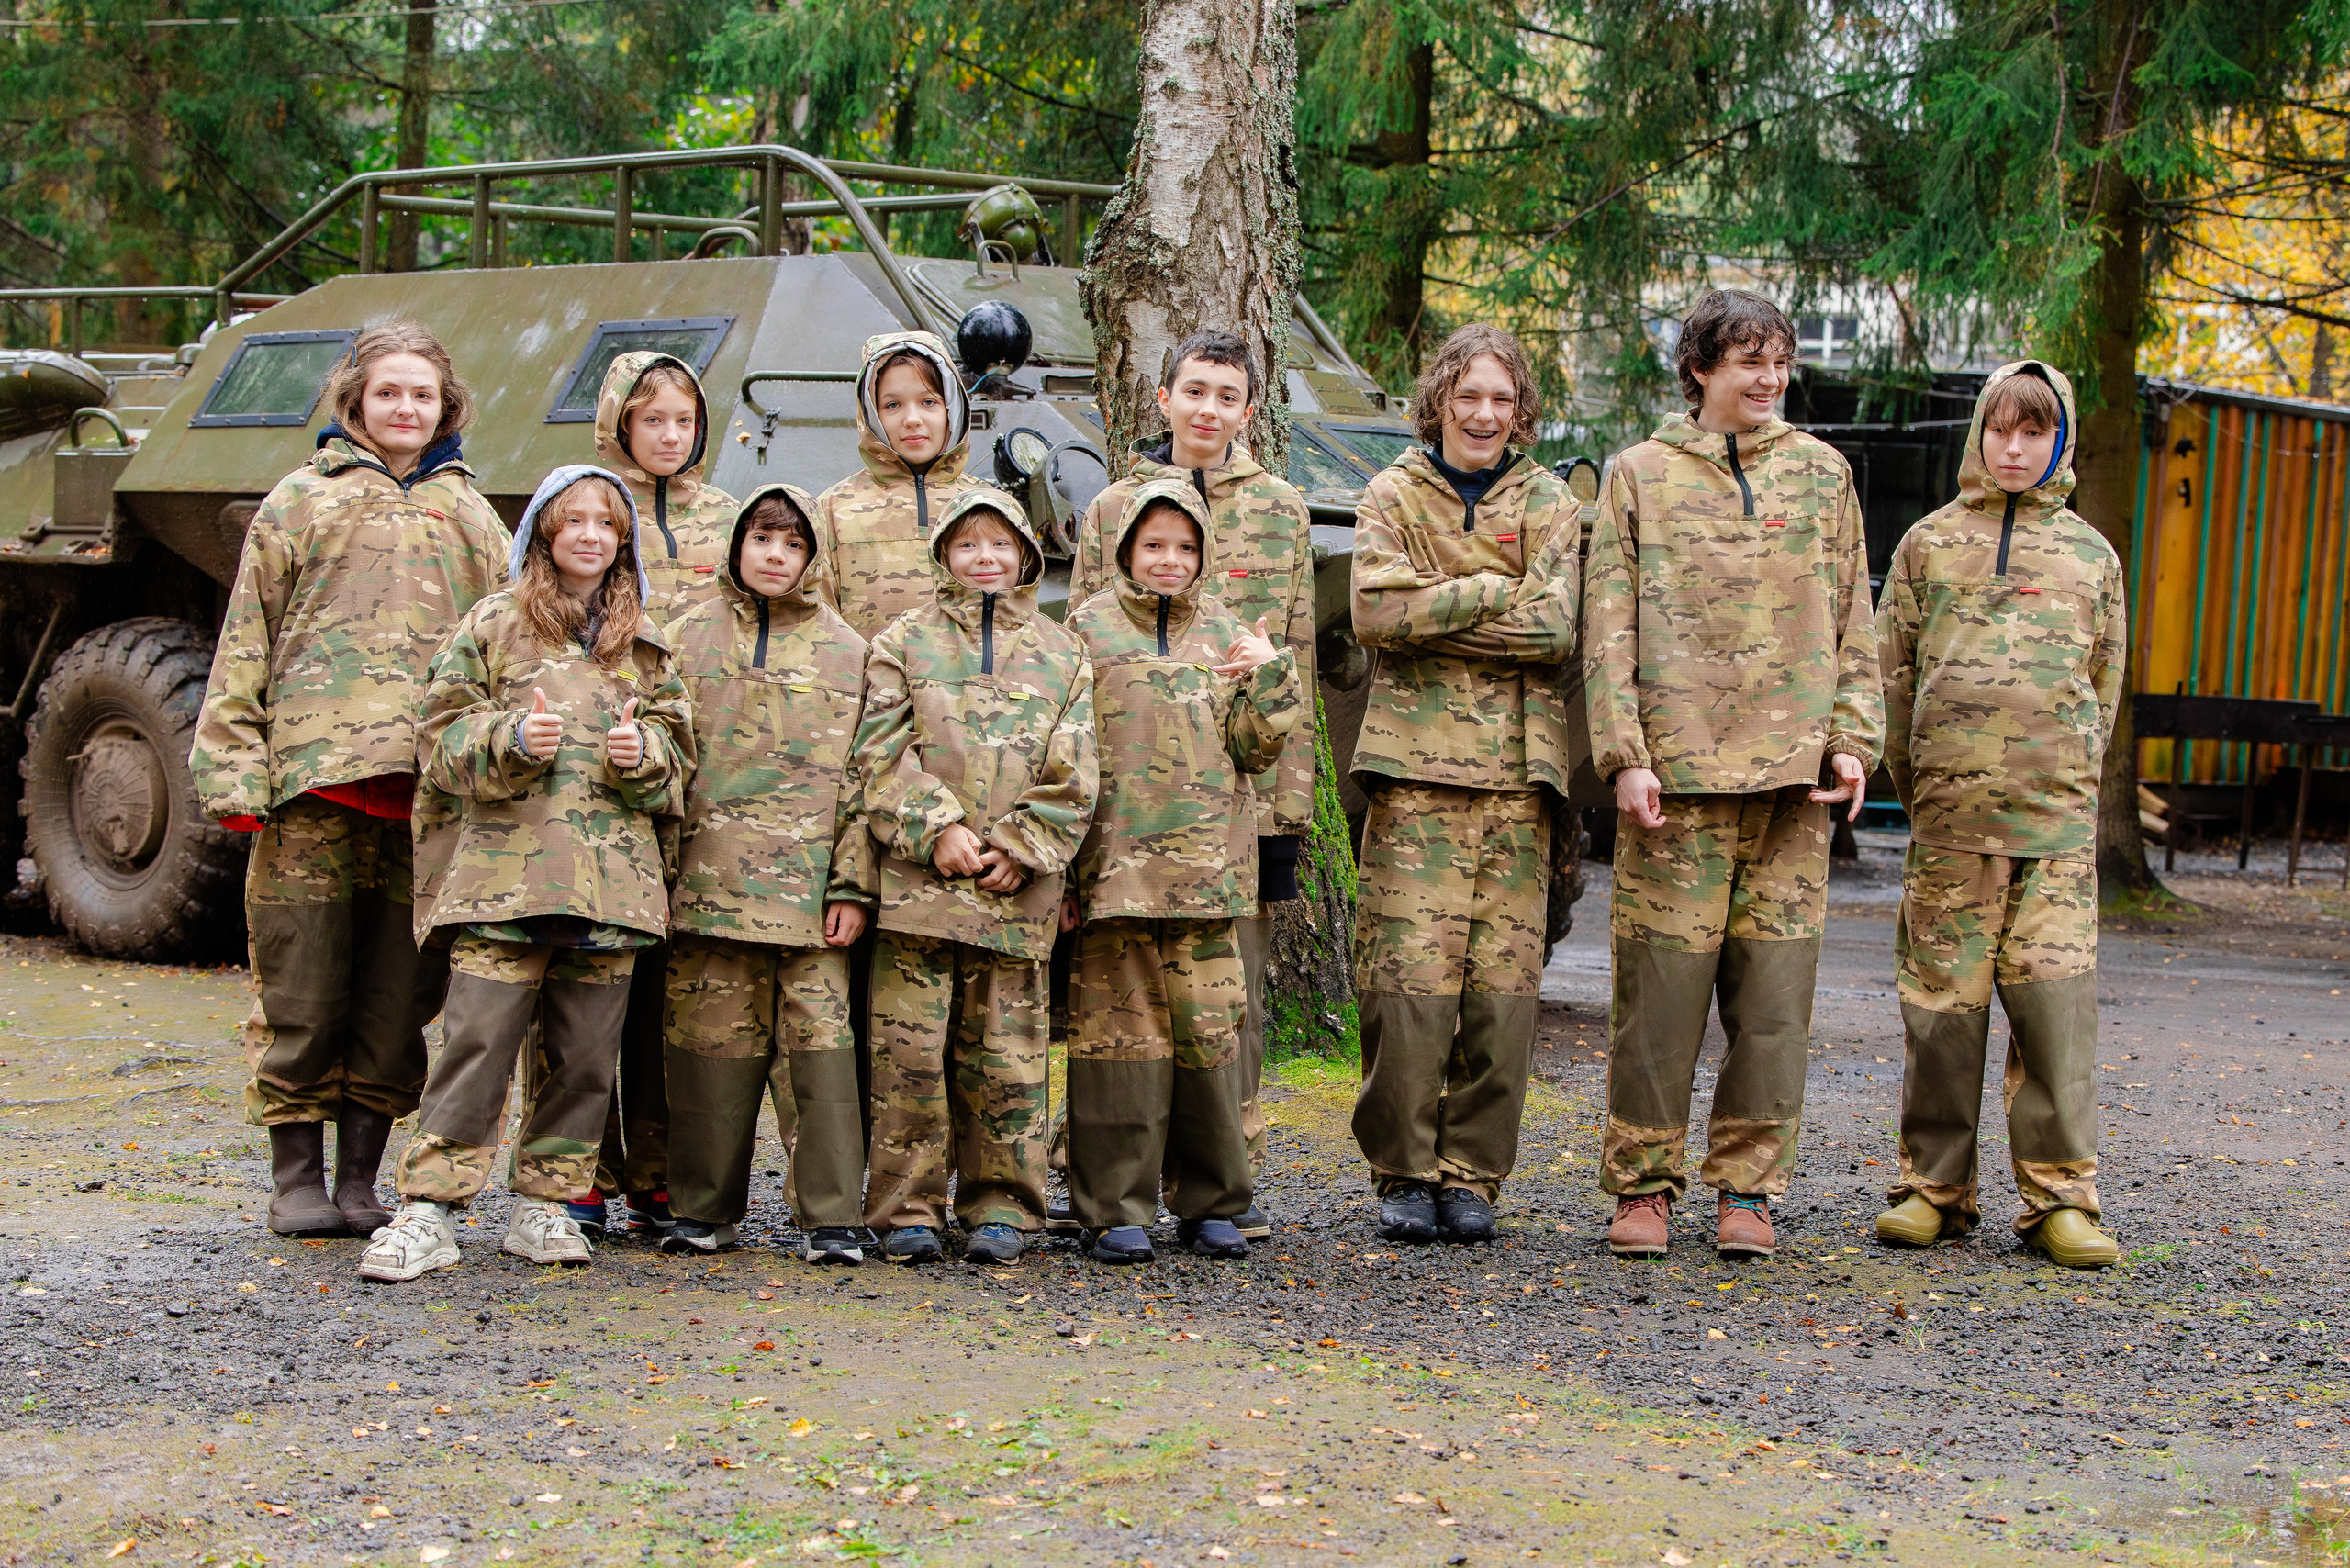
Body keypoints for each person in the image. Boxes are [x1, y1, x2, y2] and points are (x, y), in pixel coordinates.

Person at [192, 319, 509, 1238]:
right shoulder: (300, 502)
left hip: (428, 795)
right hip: (313, 782)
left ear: (444, 408)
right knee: (301, 979)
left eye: (421, 395)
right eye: (388, 393)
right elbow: (246, 635)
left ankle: (361, 1176)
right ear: (354, 403)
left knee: (398, 991)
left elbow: (504, 650)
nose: (405, 409)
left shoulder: (473, 518)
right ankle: (295, 1175)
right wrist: (233, 765)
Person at [1583, 287, 1881, 1260]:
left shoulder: (1823, 475)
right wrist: (1623, 756)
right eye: (1748, 360)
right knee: (1659, 1006)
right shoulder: (1637, 477)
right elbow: (1606, 628)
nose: (1768, 379)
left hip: (1792, 793)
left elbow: (1853, 621)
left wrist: (1852, 739)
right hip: (1676, 788)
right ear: (1700, 369)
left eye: (1780, 361)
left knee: (1774, 1005)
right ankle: (1641, 1187)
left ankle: (1748, 1189)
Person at [357, 467, 693, 1281]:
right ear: (543, 532)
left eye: (603, 523)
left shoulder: (646, 644)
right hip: (503, 883)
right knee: (477, 1043)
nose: (587, 535)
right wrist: (509, 739)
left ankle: (547, 1205)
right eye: (570, 520)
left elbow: (682, 761)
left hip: (610, 887)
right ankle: (429, 1209)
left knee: (583, 1057)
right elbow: (438, 740)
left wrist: (643, 755)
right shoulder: (493, 626)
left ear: (623, 541)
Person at [1872, 361, 2124, 1269]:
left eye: (2033, 431)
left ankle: (2059, 1197)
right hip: (1949, 828)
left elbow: (2104, 688)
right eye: (1999, 429)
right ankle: (1932, 1186)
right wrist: (1923, 782)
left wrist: (2067, 786)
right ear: (1978, 435)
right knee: (1941, 1013)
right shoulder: (1927, 547)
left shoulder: (2092, 558)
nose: (2013, 447)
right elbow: (1890, 681)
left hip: (2052, 834)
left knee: (2053, 1013)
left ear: (2057, 442)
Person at [1069, 330, 1316, 1239]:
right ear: (1165, 396)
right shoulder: (1107, 513)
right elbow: (1077, 676)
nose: (1208, 409)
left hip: (1221, 837)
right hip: (1122, 842)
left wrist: (1286, 809)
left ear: (1249, 409)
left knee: (1220, 1021)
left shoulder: (1281, 510)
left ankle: (1216, 1193)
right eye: (1194, 391)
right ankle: (1109, 1196)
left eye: (1227, 395)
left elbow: (1293, 653)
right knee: (1116, 1031)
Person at [1348, 323, 1582, 1246]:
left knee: (1501, 989)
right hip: (1415, 778)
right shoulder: (1391, 493)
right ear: (1439, 399)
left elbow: (1555, 628)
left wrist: (1436, 603)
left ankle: (1472, 1172)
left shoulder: (1552, 502)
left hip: (1519, 781)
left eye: (1500, 398)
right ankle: (1402, 1168)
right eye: (1467, 395)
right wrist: (1494, 589)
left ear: (1519, 410)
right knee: (1405, 985)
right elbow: (1374, 610)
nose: (1483, 413)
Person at [853, 488, 1097, 1265]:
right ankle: (908, 1208)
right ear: (944, 557)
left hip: (1014, 892)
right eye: (968, 545)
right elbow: (877, 755)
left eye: (1001, 544)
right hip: (920, 892)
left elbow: (1078, 767)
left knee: (1009, 1058)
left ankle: (1005, 1207)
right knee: (909, 1059)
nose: (985, 558)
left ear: (1026, 554)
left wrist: (1021, 844)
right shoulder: (902, 642)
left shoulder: (1065, 653)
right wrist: (939, 829)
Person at [658, 484, 878, 1263]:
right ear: (735, 546)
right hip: (706, 891)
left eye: (792, 544)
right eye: (761, 539)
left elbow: (867, 779)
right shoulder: (681, 638)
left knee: (820, 1053)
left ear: (812, 556)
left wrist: (853, 886)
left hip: (812, 898)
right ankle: (703, 1209)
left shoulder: (851, 652)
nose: (775, 556)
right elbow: (660, 758)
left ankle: (829, 1218)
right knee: (708, 1054)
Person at [559, 351, 742, 1238]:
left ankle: (658, 1172)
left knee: (673, 988)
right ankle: (576, 1167)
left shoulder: (728, 520)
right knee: (586, 980)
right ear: (619, 424)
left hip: (698, 778)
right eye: (651, 420)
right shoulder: (592, 514)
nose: (669, 436)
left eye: (683, 421)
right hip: (598, 781)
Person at [812, 331, 985, 639]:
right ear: (870, 414)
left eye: (929, 401)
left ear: (952, 409)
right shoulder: (832, 510)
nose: (912, 419)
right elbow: (816, 624)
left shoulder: (990, 505)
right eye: (892, 405)